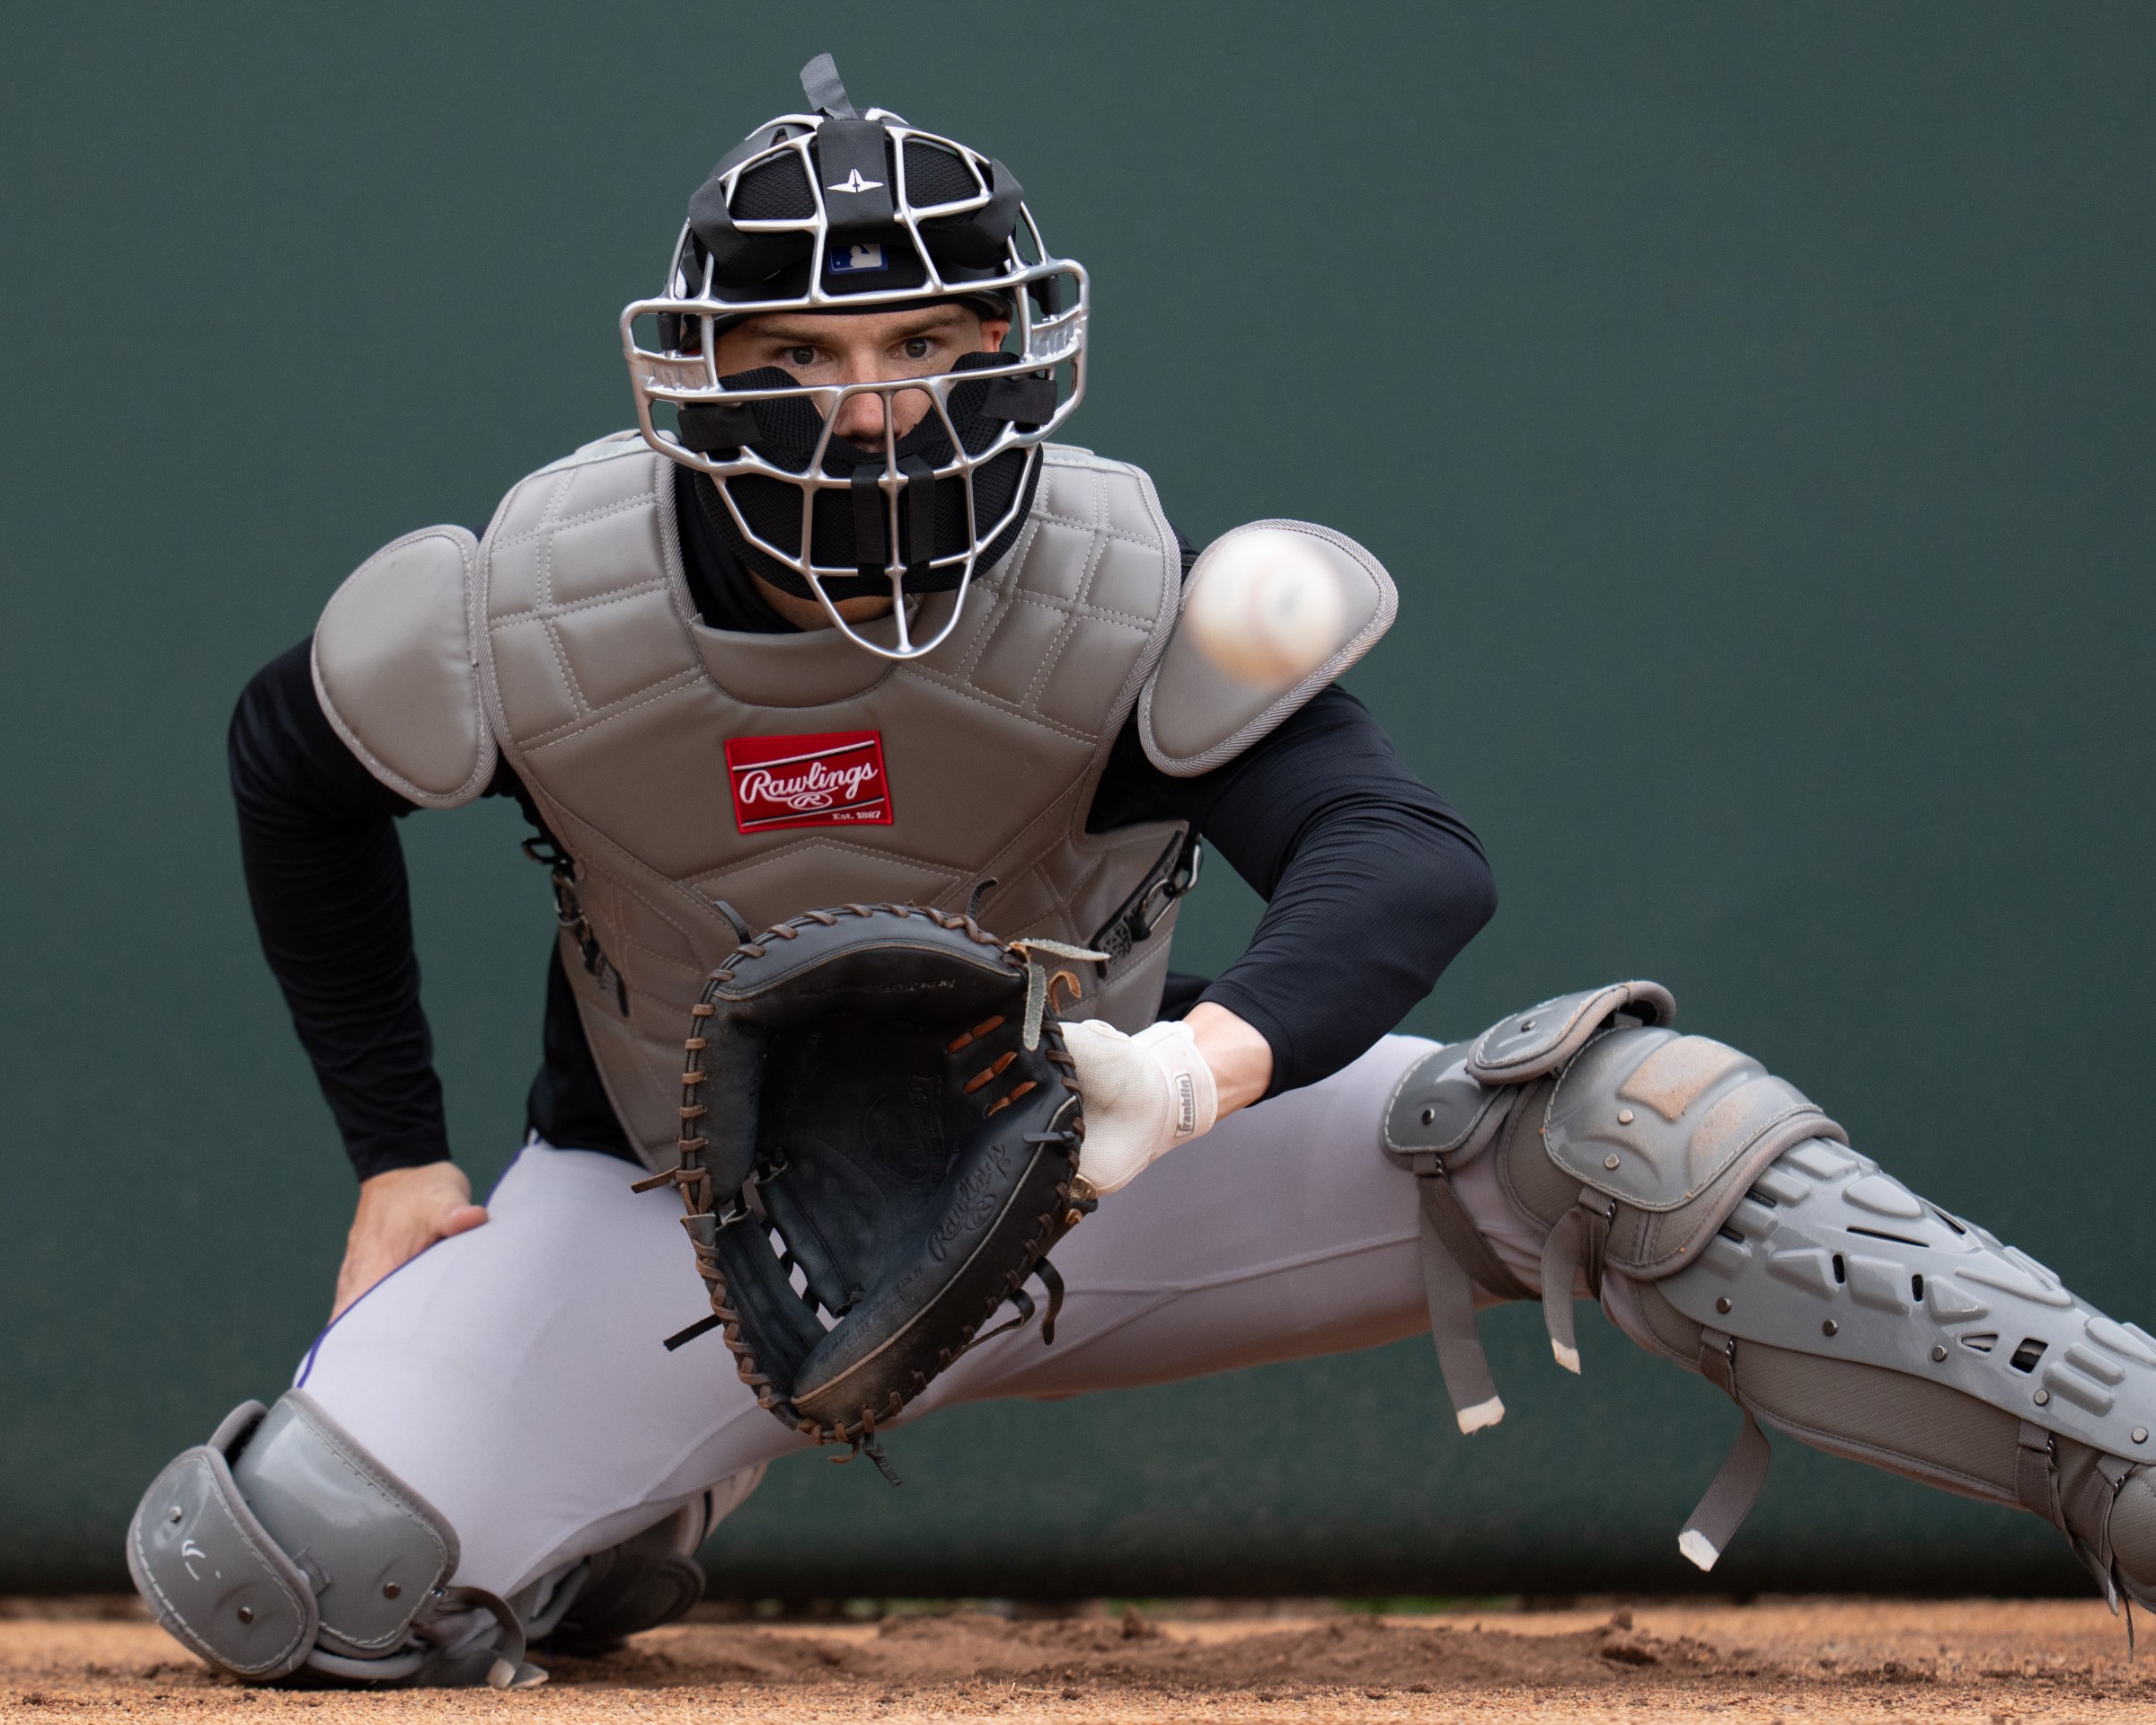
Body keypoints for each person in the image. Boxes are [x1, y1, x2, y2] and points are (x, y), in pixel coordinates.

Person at [126, 57, 2156, 1691]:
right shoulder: (537, 606)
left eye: (929, 334)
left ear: (1021, 343)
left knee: (1637, 1129)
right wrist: (395, 1154)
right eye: (808, 352)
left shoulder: (1120, 601)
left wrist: (1198, 1069)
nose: (878, 402)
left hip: (1107, 1167)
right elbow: (285, 768)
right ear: (702, 370)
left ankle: (2131, 1451)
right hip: (683, 1243)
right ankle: (636, 1508)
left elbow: (1402, 853)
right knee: (293, 1571)